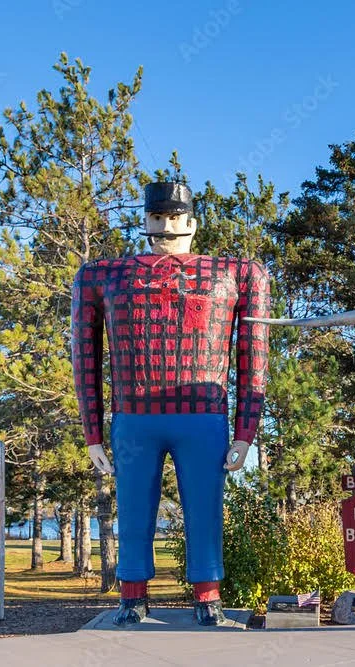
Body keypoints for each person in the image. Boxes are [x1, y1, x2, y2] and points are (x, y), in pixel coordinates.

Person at [72, 180, 269, 626]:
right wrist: (92, 432)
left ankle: (208, 595)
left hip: (202, 413)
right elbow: (85, 355)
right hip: (134, 415)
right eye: (157, 218)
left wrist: (245, 431)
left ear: (192, 223)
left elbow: (253, 355)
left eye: (175, 218)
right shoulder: (102, 276)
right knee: (133, 507)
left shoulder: (237, 273)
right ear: (144, 221)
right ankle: (132, 596)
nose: (166, 226)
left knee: (205, 507)